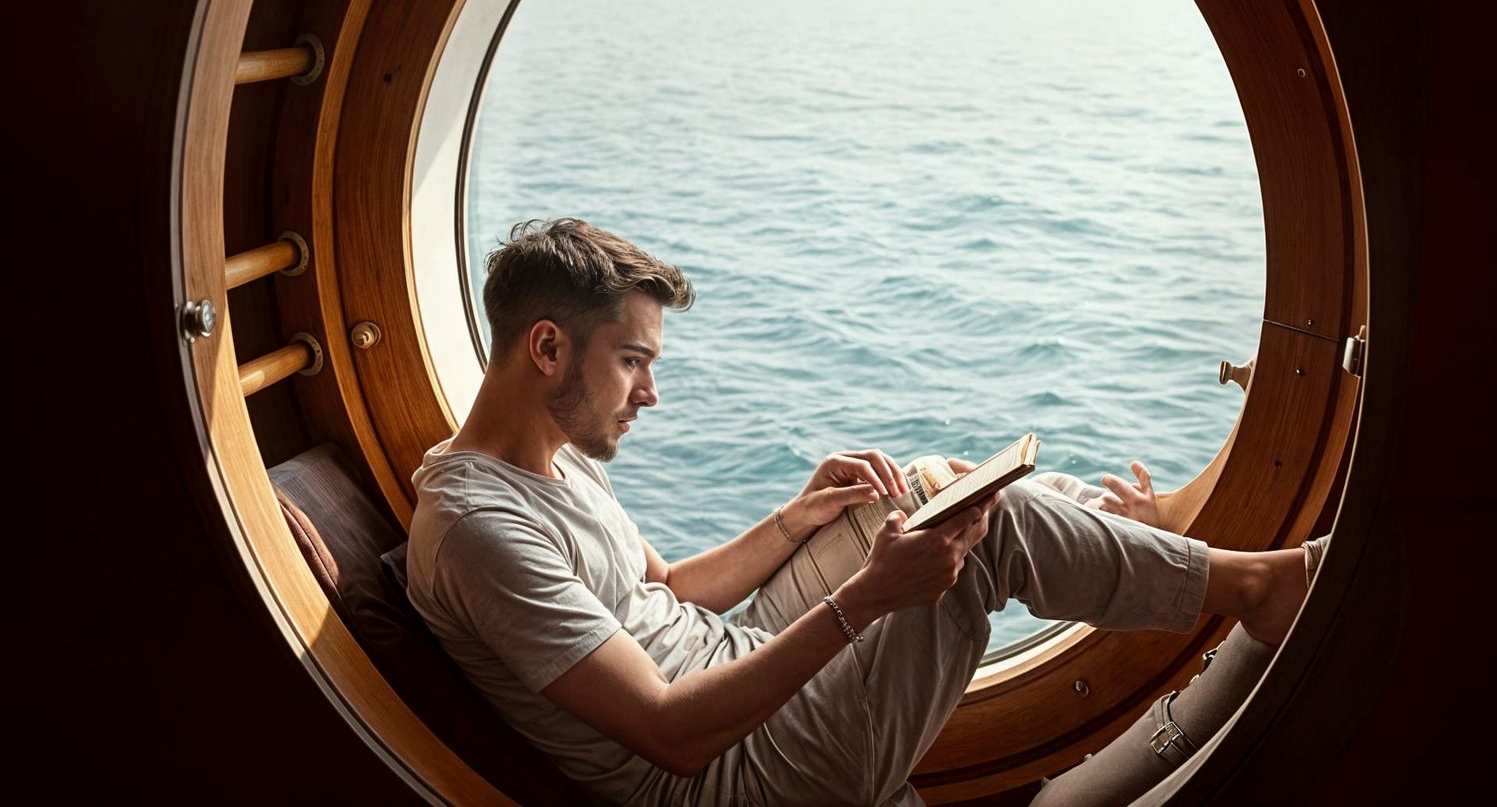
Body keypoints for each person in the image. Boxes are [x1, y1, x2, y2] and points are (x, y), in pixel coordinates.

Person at [406, 219, 1317, 807]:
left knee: (932, 485)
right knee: (973, 541)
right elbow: (670, 735)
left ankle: (1154, 552)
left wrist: (795, 518)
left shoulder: (549, 460)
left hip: (731, 659)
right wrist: (867, 598)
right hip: (727, 775)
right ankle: (1250, 585)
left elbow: (666, 586)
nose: (651, 394)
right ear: (549, 348)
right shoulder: (480, 531)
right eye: (634, 362)